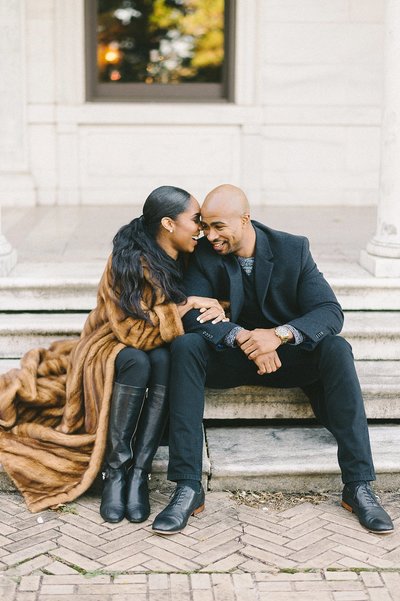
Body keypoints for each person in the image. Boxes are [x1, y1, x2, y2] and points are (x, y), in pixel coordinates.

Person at [152, 183, 394, 536]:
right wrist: (244, 338)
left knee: (337, 348)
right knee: (186, 347)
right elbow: (190, 315)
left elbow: (329, 312)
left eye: (220, 226)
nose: (210, 235)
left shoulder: (292, 249)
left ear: (246, 220)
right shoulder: (205, 254)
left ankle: (358, 486)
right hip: (231, 357)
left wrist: (277, 336)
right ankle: (188, 486)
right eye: (205, 225)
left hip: (287, 360)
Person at [0, 185, 226, 520]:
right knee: (136, 360)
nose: (202, 229)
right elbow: (132, 333)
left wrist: (219, 306)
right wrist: (186, 305)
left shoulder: (193, 255)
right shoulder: (128, 259)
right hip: (109, 340)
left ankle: (139, 472)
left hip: (156, 345)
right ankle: (116, 471)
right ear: (168, 224)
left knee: (164, 358)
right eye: (195, 221)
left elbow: (220, 295)